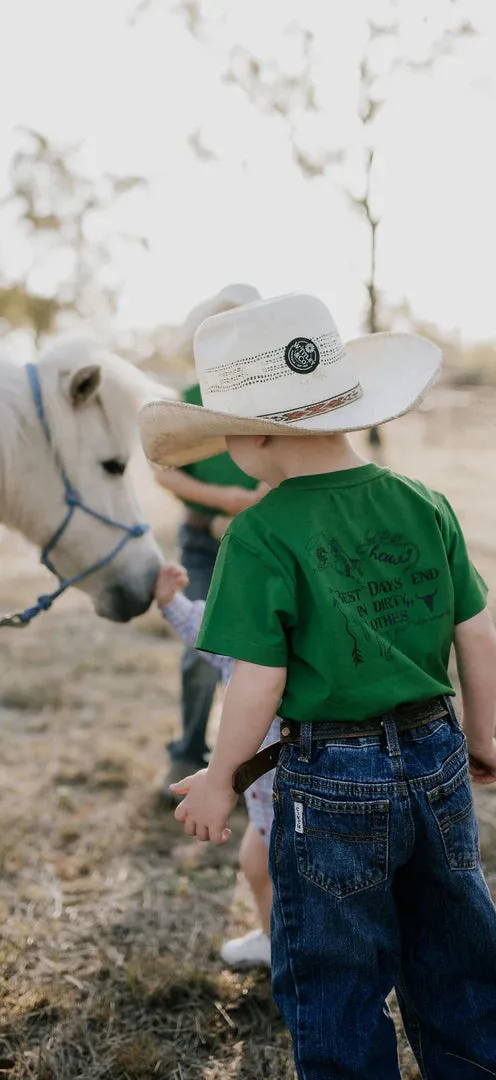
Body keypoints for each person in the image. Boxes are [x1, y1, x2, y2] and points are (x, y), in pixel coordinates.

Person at [141, 290, 496, 1078]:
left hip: (331, 783)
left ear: (256, 435)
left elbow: (257, 684)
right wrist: (480, 738)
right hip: (435, 757)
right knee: (456, 956)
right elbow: (477, 632)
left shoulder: (261, 533)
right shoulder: (422, 502)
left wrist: (222, 779)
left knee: (336, 976)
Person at [155, 284, 269, 798]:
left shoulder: (271, 396)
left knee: (269, 658)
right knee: (201, 650)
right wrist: (225, 498)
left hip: (266, 543)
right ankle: (186, 753)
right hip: (205, 542)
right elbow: (166, 475)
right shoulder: (189, 403)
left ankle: (257, 769)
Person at [155, 562, 277, 968]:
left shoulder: (275, 640)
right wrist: (170, 600)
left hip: (301, 799)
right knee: (256, 864)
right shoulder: (234, 635)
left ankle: (296, 952)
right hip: (267, 804)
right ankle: (275, 938)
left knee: (293, 882)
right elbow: (198, 625)